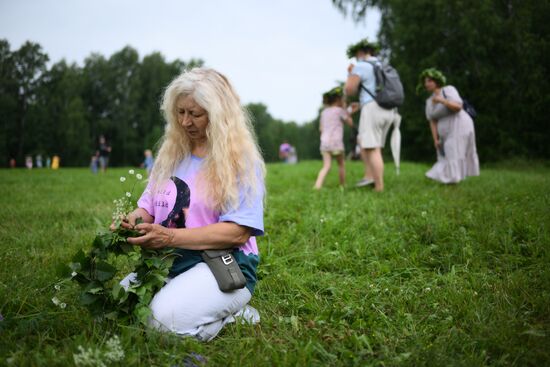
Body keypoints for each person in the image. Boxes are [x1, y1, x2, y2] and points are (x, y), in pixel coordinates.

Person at [114, 68, 266, 341]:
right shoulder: (172, 154)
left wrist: (169, 236)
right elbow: (148, 207)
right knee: (121, 308)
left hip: (223, 264)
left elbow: (237, 233)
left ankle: (232, 315)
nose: (185, 122)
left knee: (162, 323)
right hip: (171, 261)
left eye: (195, 114)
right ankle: (193, 303)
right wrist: (133, 221)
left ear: (219, 115)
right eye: (180, 112)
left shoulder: (239, 162)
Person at [344, 38, 402, 192]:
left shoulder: (361, 65)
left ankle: (379, 186)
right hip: (389, 110)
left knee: (372, 148)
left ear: (361, 52)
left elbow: (349, 90)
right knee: (370, 144)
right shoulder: (382, 64)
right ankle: (369, 176)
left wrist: (350, 74)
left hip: (373, 109)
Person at [418, 68, 479, 183]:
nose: (427, 84)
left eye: (429, 80)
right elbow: (432, 120)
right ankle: (448, 179)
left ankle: (452, 181)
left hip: (459, 125)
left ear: (437, 81)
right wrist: (435, 139)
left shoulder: (448, 90)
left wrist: (442, 100)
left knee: (453, 151)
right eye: (425, 82)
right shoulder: (429, 101)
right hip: (444, 131)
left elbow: (458, 107)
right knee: (444, 154)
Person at [314, 87, 357, 189]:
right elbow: (350, 123)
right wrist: (349, 111)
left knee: (326, 166)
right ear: (339, 100)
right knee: (341, 165)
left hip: (324, 143)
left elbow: (321, 129)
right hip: (336, 142)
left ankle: (317, 186)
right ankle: (342, 186)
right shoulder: (340, 111)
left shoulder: (324, 112)